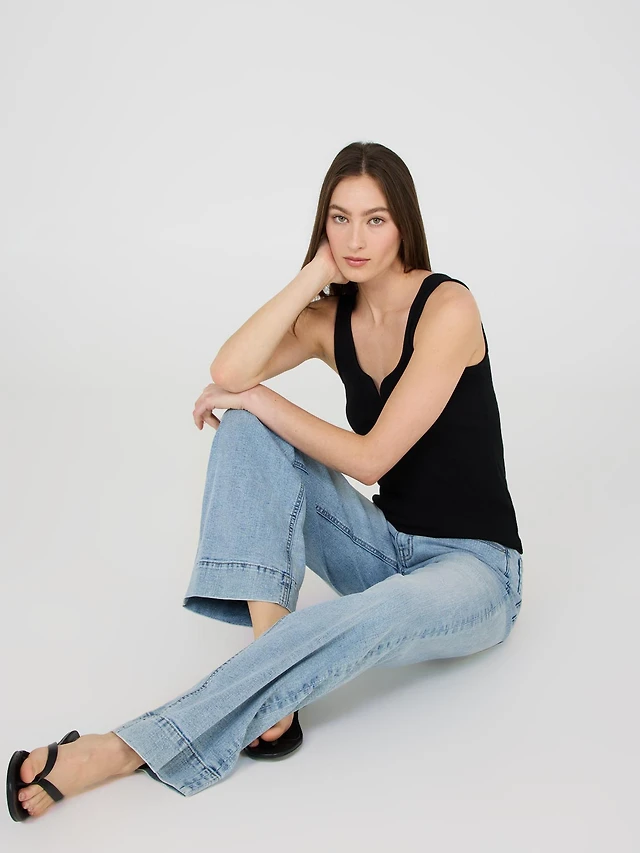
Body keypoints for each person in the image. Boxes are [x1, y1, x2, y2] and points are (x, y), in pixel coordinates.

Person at [7, 141, 524, 821]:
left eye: (375, 220)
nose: (356, 239)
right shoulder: (330, 321)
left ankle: (123, 748)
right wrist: (314, 274)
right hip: (383, 546)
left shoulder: (448, 308)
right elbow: (228, 370)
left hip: (476, 572)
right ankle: (272, 686)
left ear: (403, 223)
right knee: (246, 427)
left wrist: (261, 398)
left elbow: (371, 459)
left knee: (374, 601)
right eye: (340, 219)